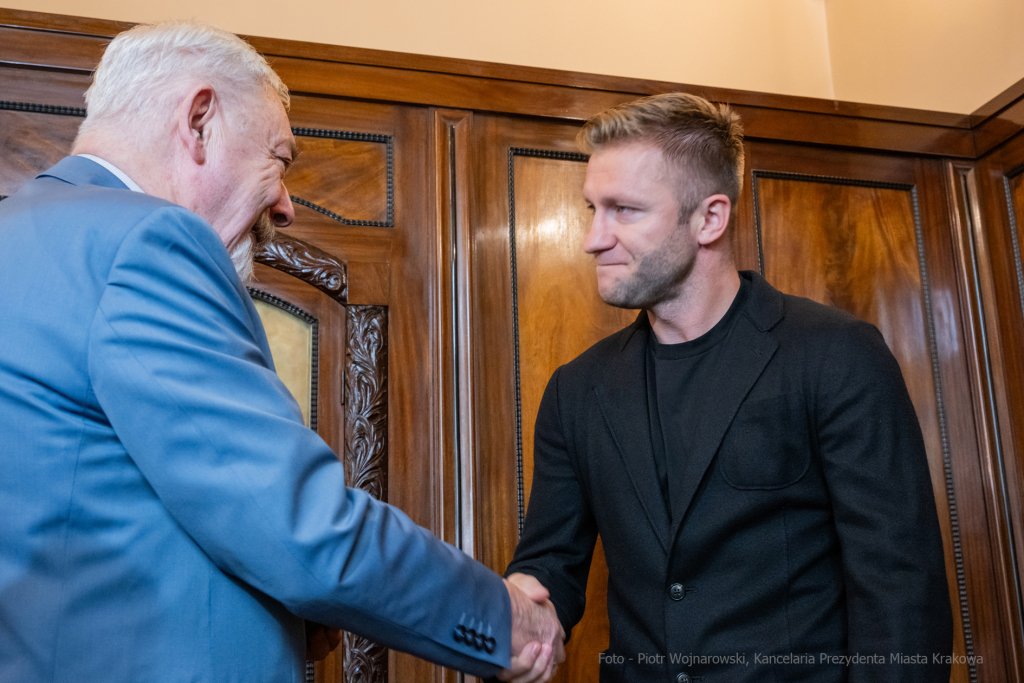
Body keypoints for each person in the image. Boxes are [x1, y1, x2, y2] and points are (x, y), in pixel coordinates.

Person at [0, 20, 563, 683]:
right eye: (280, 157)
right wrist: (507, 618)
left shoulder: (22, 234)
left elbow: (96, 518)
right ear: (200, 121)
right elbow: (300, 529)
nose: (287, 206)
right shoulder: (148, 242)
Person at [504, 93, 953, 682]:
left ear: (709, 218)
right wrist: (518, 612)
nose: (593, 238)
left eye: (624, 210)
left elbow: (901, 592)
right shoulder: (575, 390)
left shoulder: (837, 354)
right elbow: (550, 566)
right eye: (591, 208)